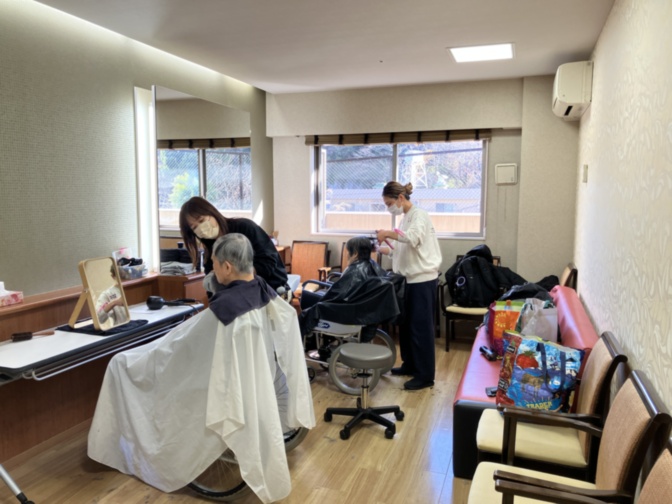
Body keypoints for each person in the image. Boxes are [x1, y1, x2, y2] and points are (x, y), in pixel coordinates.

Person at [87, 233, 315, 503]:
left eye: (214, 264)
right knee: (140, 356)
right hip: (243, 378)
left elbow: (177, 350)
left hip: (207, 378)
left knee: (120, 364)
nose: (212, 270)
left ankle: (113, 446)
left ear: (227, 267)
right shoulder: (261, 289)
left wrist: (157, 351)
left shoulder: (228, 307)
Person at [376, 181, 442, 391]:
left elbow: (413, 238)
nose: (389, 208)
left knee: (420, 328)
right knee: (407, 326)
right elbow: (402, 248)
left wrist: (388, 233)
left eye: (389, 203)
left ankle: (425, 375)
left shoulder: (419, 215)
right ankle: (410, 364)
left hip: (422, 280)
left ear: (400, 198)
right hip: (408, 280)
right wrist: (386, 249)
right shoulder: (405, 219)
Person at [178, 196, 288, 295]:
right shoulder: (210, 251)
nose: (200, 228)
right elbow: (212, 289)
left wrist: (239, 277)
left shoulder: (245, 227)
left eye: (201, 220)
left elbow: (269, 259)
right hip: (241, 298)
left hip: (272, 290)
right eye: (194, 227)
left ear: (212, 212)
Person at [298, 236, 396, 341]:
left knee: (307, 302)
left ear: (355, 253)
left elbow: (336, 295)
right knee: (313, 299)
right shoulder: (371, 264)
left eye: (348, 251)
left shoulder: (355, 270)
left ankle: (306, 341)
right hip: (355, 308)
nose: (347, 255)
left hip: (346, 310)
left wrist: (324, 299)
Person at [94, 265, 129, 329]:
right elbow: (98, 319)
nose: (124, 279)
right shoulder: (107, 294)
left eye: (125, 276)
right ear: (113, 276)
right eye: (121, 276)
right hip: (121, 329)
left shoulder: (136, 288)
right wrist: (114, 303)